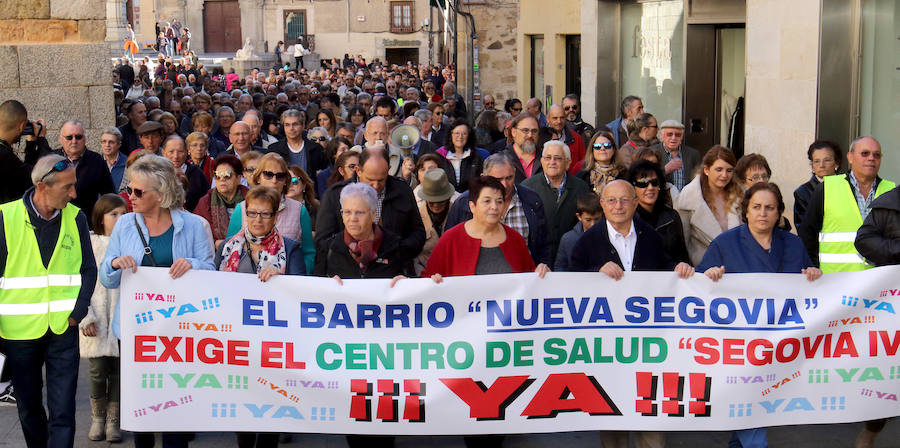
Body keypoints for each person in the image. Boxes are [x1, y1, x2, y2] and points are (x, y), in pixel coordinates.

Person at [100, 154, 215, 448]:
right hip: (136, 330)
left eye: (139, 191)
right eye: (129, 189)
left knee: (175, 402)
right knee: (142, 403)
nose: (130, 196)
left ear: (162, 194)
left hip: (178, 330)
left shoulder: (194, 225)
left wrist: (192, 264)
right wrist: (115, 264)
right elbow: (106, 278)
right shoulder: (125, 225)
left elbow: (212, 274)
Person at [697, 182, 823, 448]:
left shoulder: (793, 244)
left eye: (770, 208)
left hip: (781, 347)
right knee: (753, 428)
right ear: (746, 211)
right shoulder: (725, 244)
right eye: (756, 207)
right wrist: (709, 278)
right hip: (740, 350)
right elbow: (696, 292)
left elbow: (809, 289)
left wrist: (813, 276)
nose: (763, 213)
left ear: (779, 213)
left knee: (748, 419)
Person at [0, 154, 97, 448]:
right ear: (43, 186)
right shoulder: (5, 216)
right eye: (67, 187)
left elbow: (88, 269)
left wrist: (77, 313)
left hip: (62, 329)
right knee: (28, 409)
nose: (74, 194)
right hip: (18, 333)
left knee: (63, 410)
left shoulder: (76, 217)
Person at [316, 147, 426, 275]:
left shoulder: (402, 191)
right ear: (358, 170)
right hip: (346, 273)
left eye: (381, 180)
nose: (375, 185)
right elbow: (323, 241)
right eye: (370, 180)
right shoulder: (336, 195)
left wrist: (395, 251)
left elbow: (418, 233)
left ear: (388, 170)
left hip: (393, 272)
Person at [424, 175, 550, 279]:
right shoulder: (451, 239)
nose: (494, 207)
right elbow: (427, 280)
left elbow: (529, 279)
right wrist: (434, 280)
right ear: (472, 206)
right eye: (487, 201)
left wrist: (541, 273)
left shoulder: (515, 239)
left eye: (499, 201)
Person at [799, 136, 895, 272]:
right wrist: (813, 268)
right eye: (865, 153)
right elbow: (807, 234)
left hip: (879, 284)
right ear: (850, 157)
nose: (871, 158)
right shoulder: (826, 188)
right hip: (835, 282)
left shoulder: (892, 191)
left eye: (877, 155)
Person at [854, 184, 900, 448]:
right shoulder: (889, 203)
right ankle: (870, 432)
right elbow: (864, 240)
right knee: (889, 376)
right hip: (893, 306)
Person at [446, 153, 551, 266]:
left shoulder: (531, 200)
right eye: (498, 179)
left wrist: (543, 267)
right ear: (483, 177)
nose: (504, 185)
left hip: (523, 277)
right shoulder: (464, 203)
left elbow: (544, 244)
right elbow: (450, 246)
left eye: (509, 178)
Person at [80, 194, 128, 443]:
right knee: (98, 371)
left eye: (123, 213)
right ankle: (98, 417)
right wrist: (85, 316)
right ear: (100, 218)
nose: (120, 219)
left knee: (119, 372)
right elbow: (79, 282)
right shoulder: (89, 243)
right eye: (114, 214)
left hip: (122, 323)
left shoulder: (130, 244)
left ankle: (113, 420)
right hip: (96, 322)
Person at [226, 153, 315, 273]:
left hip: (286, 284)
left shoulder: (299, 210)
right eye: (268, 174)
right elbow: (229, 248)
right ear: (258, 178)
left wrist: (297, 279)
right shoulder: (241, 209)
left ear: (285, 180)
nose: (274, 180)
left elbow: (308, 253)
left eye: (280, 176)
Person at [313, 182, 414, 284]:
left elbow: (414, 285)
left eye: (359, 212)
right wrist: (327, 284)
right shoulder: (330, 248)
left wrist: (406, 283)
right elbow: (315, 287)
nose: (353, 219)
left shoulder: (396, 247)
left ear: (374, 214)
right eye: (347, 212)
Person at [521, 140, 590, 266]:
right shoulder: (527, 188)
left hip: (572, 259)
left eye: (557, 158)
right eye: (548, 158)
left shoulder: (581, 188)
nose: (552, 162)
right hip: (539, 262)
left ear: (568, 163)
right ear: (541, 161)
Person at [675, 146, 743, 266]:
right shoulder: (688, 198)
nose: (724, 175)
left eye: (729, 170)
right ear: (706, 169)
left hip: (735, 267)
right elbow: (682, 242)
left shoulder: (740, 195)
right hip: (703, 270)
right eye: (719, 169)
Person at [626, 160, 690, 264]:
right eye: (643, 184)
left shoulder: (672, 217)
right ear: (633, 187)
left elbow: (681, 256)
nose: (650, 188)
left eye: (654, 182)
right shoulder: (626, 219)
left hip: (669, 276)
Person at [54, 120, 117, 223]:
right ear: (60, 139)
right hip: (56, 223)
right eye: (69, 137)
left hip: (85, 224)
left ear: (85, 138)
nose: (74, 141)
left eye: (78, 137)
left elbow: (109, 196)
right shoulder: (50, 159)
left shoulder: (97, 161)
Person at [0, 100, 49, 203]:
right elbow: (40, 174)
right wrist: (41, 139)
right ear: (22, 126)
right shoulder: (4, 156)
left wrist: (31, 144)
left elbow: (22, 174)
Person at [195, 155, 247, 248]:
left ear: (238, 178)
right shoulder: (205, 202)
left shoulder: (250, 199)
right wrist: (214, 243)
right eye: (218, 175)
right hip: (214, 254)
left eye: (227, 175)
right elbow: (197, 234)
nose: (222, 179)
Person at [414, 169, 459, 275]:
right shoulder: (417, 217)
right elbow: (414, 257)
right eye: (432, 201)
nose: (436, 205)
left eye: (440, 201)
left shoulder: (458, 213)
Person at [734, 153, 791, 231]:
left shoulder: (773, 200)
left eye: (764, 176)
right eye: (755, 177)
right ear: (742, 182)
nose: (761, 181)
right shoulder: (735, 208)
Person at [793, 140, 841, 230]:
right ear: (812, 166)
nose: (821, 165)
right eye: (817, 161)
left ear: (836, 163)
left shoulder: (848, 186)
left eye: (827, 160)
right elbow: (804, 230)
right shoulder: (802, 193)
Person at [267, 109, 327, 180]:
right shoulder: (274, 149)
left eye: (295, 124)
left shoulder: (316, 149)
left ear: (303, 126)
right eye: (287, 125)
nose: (291, 128)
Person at [554, 193, 603, 272]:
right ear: (579, 217)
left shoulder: (609, 236)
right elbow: (560, 267)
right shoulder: (568, 239)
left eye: (597, 219)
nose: (593, 224)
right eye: (588, 220)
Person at [161, 135, 210, 212]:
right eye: (171, 152)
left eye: (180, 151)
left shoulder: (197, 173)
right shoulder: (157, 174)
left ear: (187, 152)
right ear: (163, 153)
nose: (176, 156)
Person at [651, 119, 700, 192]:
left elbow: (698, 180)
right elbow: (648, 178)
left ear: (682, 137)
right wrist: (665, 170)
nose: (673, 138)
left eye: (678, 135)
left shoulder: (693, 154)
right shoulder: (652, 152)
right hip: (663, 200)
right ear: (661, 135)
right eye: (669, 134)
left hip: (686, 199)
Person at [436, 122, 485, 192]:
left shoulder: (476, 157)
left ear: (469, 136)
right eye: (457, 133)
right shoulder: (439, 156)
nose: (460, 136)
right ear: (451, 135)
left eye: (464, 133)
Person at [538, 104, 586, 175]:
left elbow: (583, 162)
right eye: (555, 118)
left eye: (562, 118)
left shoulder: (576, 138)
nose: (559, 121)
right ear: (547, 119)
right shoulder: (539, 137)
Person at [577, 129, 625, 195]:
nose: (602, 149)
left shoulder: (625, 175)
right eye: (597, 146)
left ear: (614, 149)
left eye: (607, 145)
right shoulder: (582, 176)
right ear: (592, 151)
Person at [500, 113, 542, 183]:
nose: (530, 135)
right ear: (513, 132)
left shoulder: (546, 159)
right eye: (525, 130)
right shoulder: (501, 160)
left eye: (534, 131)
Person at [287, 165, 319, 230]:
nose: (290, 185)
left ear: (304, 185)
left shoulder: (317, 207)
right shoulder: (277, 209)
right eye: (286, 181)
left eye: (294, 181)